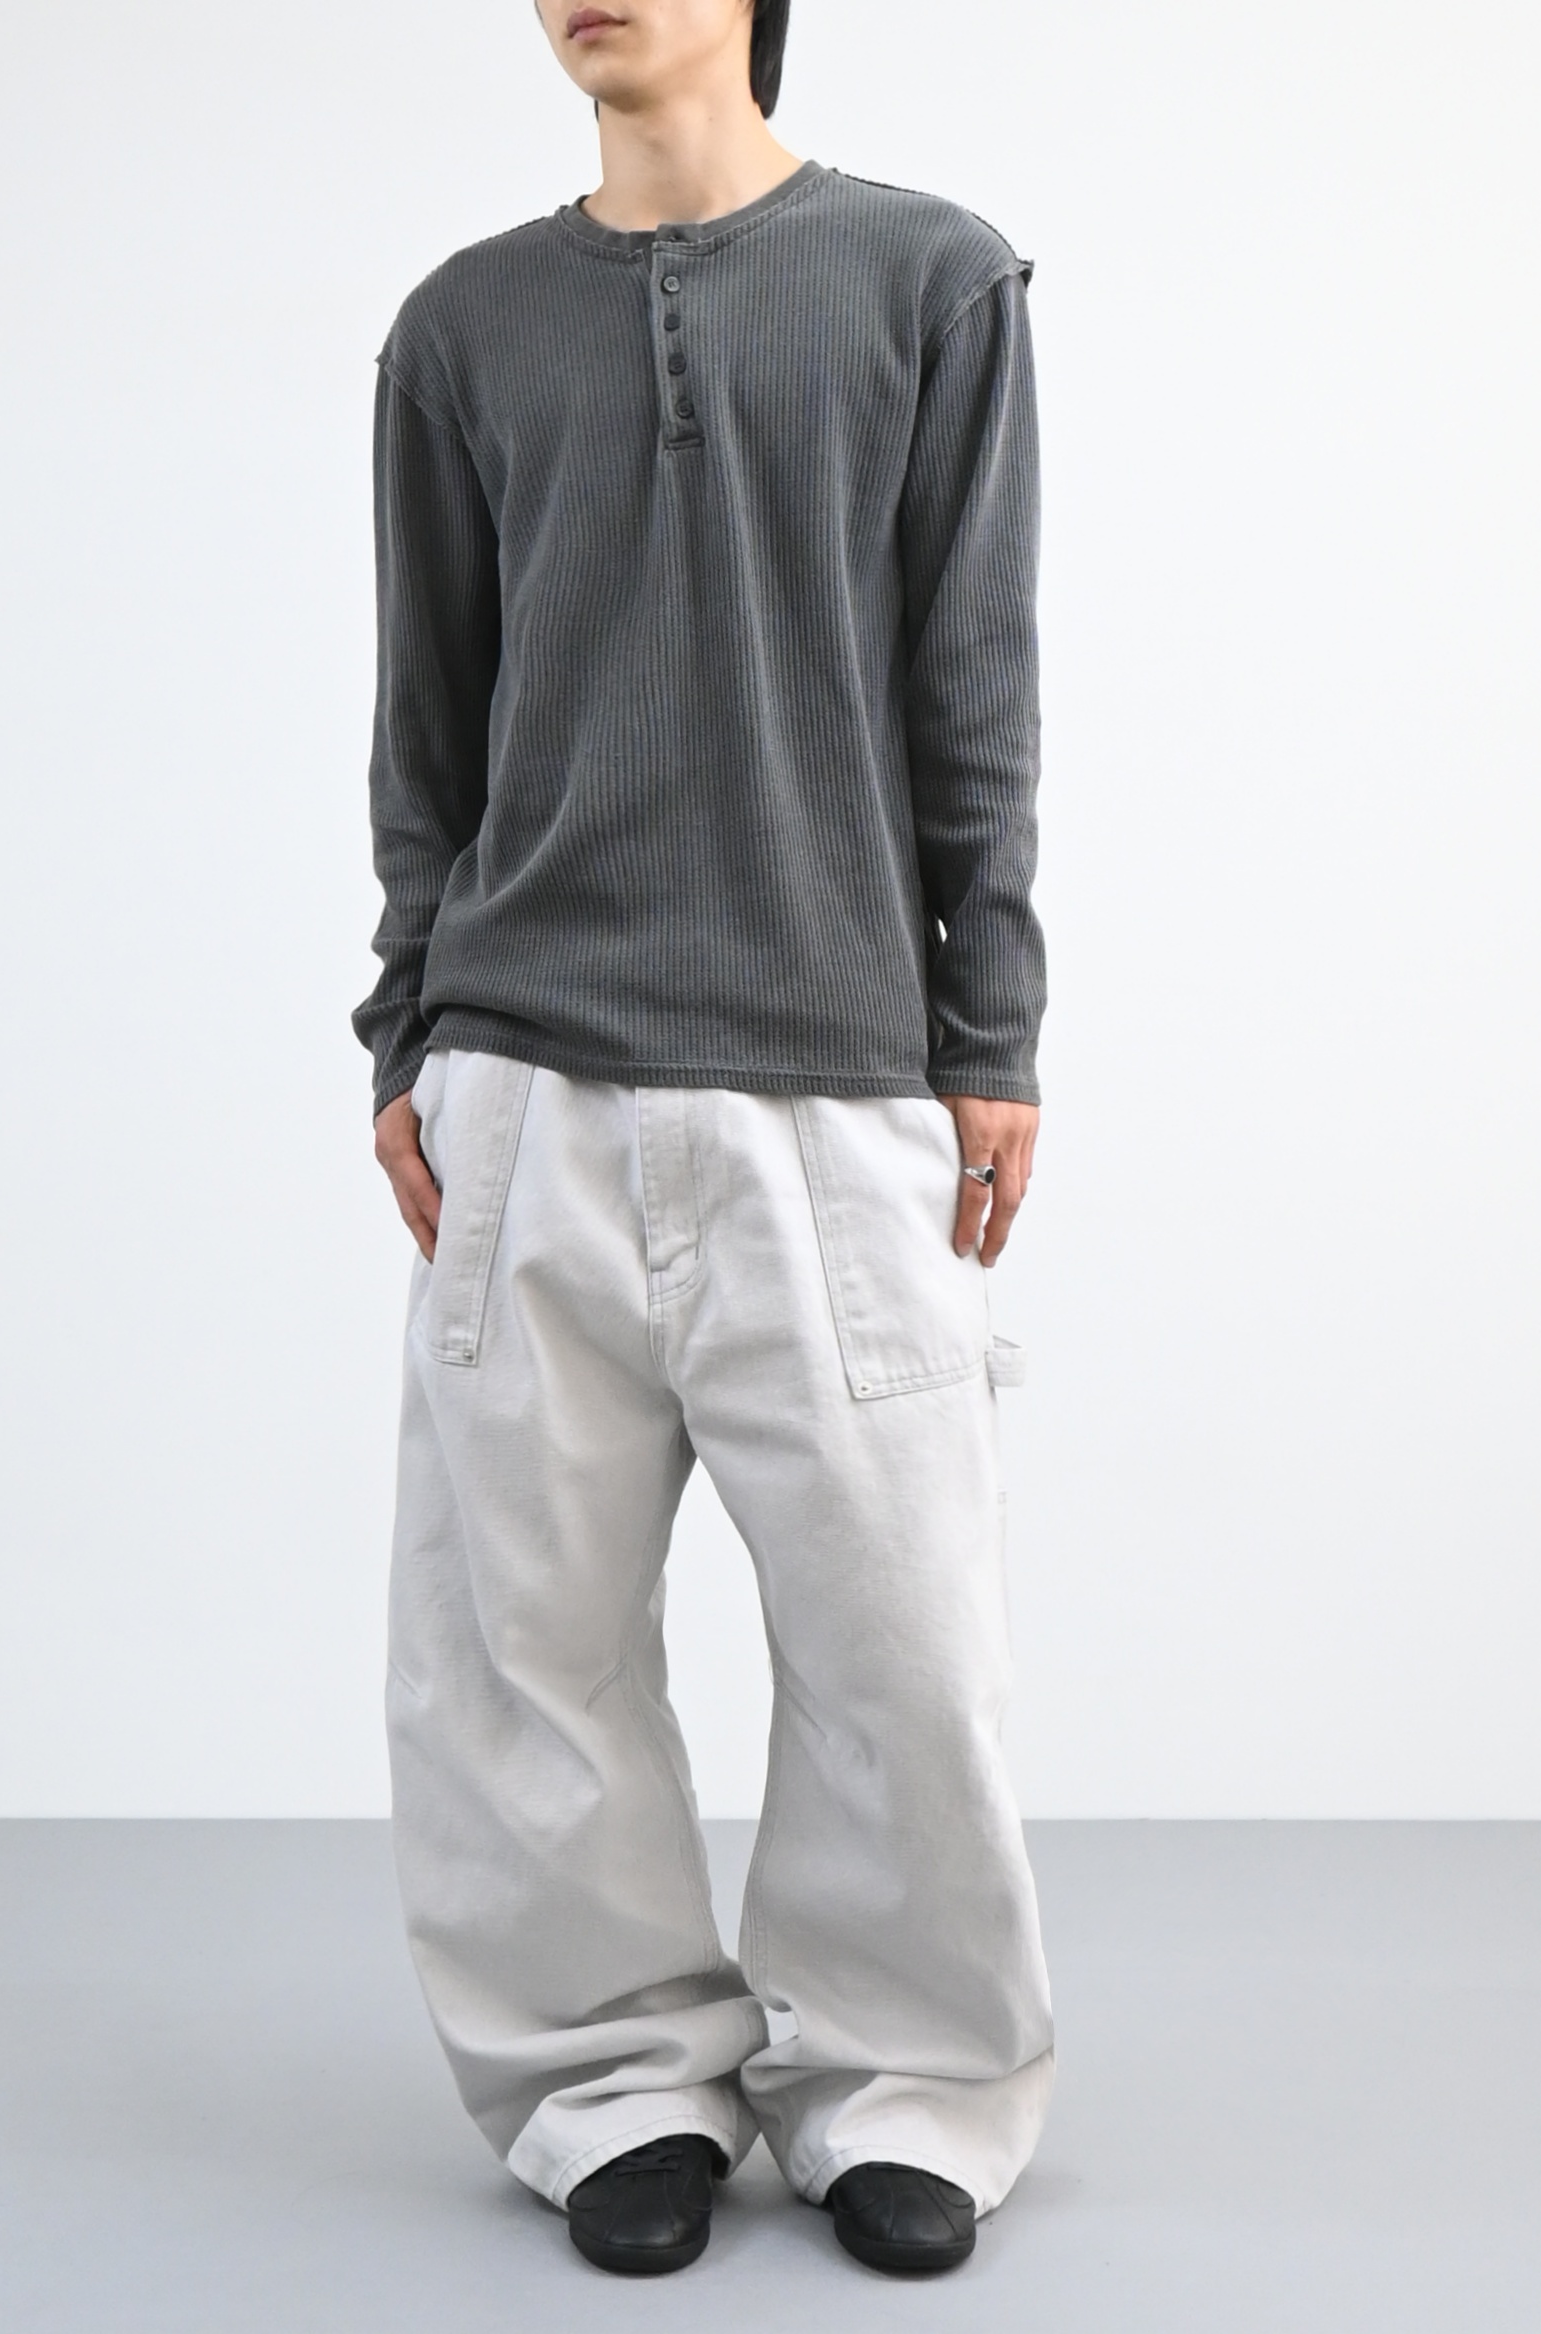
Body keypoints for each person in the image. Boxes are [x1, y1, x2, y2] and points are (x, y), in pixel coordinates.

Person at [353, 0, 1052, 2280]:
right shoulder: (462, 329)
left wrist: (992, 1024)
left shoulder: (930, 281)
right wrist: (405, 1030)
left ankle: (908, 2083)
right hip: (524, 1075)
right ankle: (609, 2082)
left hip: (831, 1078)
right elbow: (428, 722)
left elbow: (973, 678)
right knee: (518, 1643)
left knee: (899, 1639)